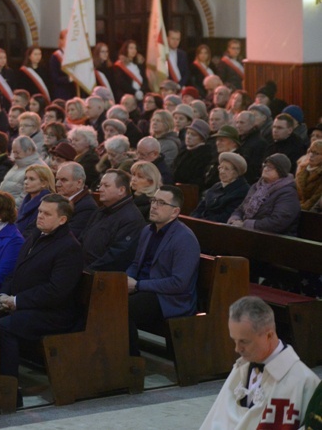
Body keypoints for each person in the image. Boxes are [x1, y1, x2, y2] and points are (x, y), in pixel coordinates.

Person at [0, 194, 83, 399]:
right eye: (39, 211)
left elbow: (56, 291)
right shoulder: (36, 235)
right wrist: (4, 294)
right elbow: (15, 272)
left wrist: (17, 302)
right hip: (26, 304)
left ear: (62, 220)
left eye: (46, 213)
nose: (40, 216)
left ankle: (8, 392)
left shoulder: (69, 247)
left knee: (4, 329)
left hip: (53, 314)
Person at [200, 296, 320, 430]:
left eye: (244, 342)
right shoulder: (241, 367)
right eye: (234, 340)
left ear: (268, 336)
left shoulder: (305, 382)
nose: (237, 349)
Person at [126, 185, 200, 356]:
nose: (154, 206)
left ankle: (132, 362)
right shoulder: (148, 231)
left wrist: (138, 285)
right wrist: (126, 279)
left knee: (123, 309)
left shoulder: (185, 239)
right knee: (103, 301)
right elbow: (136, 264)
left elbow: (179, 283)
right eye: (153, 201)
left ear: (175, 212)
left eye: (161, 203)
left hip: (168, 298)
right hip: (145, 289)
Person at [81, 169, 145, 273]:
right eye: (100, 185)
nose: (100, 189)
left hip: (102, 277)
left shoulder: (131, 219)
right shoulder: (101, 210)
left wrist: (87, 271)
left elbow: (117, 256)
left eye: (106, 186)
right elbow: (83, 237)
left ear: (121, 190)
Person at [228, 153, 300, 235]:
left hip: (275, 239)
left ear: (281, 171)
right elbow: (241, 209)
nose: (265, 169)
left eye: (270, 167)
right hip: (251, 234)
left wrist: (245, 225)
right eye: (265, 165)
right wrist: (234, 219)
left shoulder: (288, 193)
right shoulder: (256, 186)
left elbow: (278, 222)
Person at [192, 152, 250, 223]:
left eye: (227, 169)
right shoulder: (216, 186)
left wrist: (202, 222)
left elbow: (226, 216)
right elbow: (201, 207)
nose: (222, 172)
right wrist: (194, 219)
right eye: (220, 168)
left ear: (237, 172)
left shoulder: (242, 190)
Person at [0, 135, 47, 206]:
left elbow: (25, 198)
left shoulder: (37, 168)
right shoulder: (18, 164)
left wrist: (5, 207)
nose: (14, 156)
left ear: (29, 150)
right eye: (13, 152)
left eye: (17, 152)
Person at [55, 162, 97, 239]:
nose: (57, 184)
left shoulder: (86, 207)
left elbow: (70, 236)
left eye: (63, 180)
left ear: (79, 183)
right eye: (57, 179)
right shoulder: (55, 199)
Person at [173, 119, 213, 192]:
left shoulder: (204, 156)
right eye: (188, 133)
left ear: (202, 138)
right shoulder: (183, 152)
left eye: (193, 135)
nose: (188, 137)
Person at [15, 165, 55, 238]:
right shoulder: (26, 200)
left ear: (44, 183)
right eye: (25, 178)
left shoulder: (48, 203)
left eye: (31, 179)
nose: (26, 182)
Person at [234, 110, 267, 184]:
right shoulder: (238, 140)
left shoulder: (259, 143)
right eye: (237, 122)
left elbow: (255, 169)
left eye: (242, 122)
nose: (238, 125)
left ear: (252, 124)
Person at [112, 39, 148, 103]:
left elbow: (145, 80)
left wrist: (142, 91)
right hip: (128, 97)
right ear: (125, 49)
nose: (134, 50)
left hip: (141, 96)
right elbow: (121, 82)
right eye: (131, 48)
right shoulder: (119, 65)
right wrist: (135, 92)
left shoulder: (139, 65)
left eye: (135, 48)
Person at [296, 140, 322, 210]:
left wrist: (299, 209)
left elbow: (315, 199)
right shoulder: (302, 169)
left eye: (316, 153)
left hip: (310, 213)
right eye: (310, 151)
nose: (311, 155)